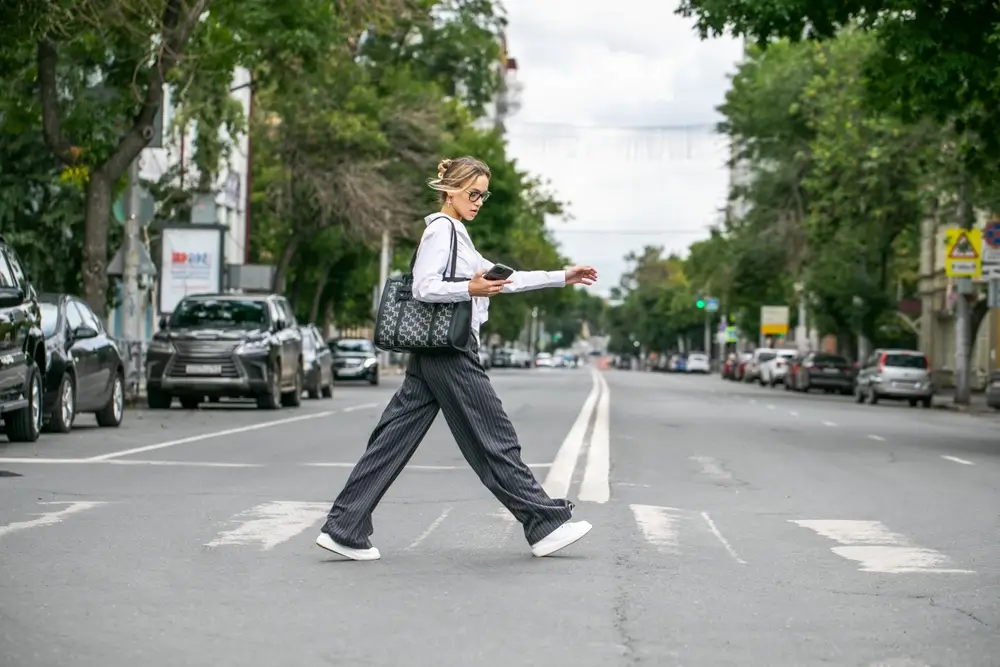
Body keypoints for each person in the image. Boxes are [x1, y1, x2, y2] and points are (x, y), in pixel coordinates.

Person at [316, 155, 599, 561]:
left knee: (393, 439)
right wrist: (470, 288)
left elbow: (507, 279)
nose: (479, 201)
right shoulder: (443, 231)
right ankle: (544, 523)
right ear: (450, 190)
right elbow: (424, 287)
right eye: (473, 193)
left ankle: (344, 526)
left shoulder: (458, 235)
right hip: (450, 349)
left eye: (483, 195)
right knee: (494, 436)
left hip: (434, 351)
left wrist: (562, 275)